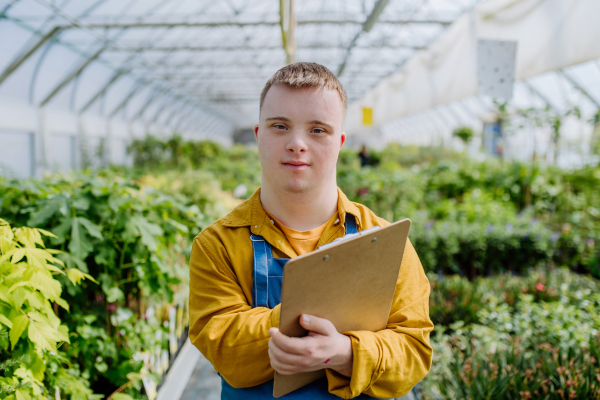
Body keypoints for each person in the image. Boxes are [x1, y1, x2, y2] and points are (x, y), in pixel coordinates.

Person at [188, 62, 433, 399]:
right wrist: (312, 325)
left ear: (340, 142)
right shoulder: (218, 245)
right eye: (279, 126)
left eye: (318, 130)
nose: (297, 143)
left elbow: (413, 351)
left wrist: (347, 353)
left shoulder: (386, 242)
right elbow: (223, 346)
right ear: (259, 136)